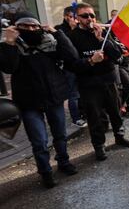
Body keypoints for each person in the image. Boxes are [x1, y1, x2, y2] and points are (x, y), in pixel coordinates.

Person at [0, 11, 82, 188]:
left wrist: (57, 33)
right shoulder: (10, 45)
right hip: (29, 103)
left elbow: (71, 56)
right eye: (25, 26)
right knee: (39, 141)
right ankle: (45, 172)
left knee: (60, 134)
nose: (30, 29)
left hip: (54, 97)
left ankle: (64, 162)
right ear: (16, 28)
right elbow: (8, 67)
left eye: (34, 26)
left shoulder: (50, 43)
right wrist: (9, 42)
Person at [67, 3, 129, 161]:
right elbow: (71, 65)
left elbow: (118, 56)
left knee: (115, 112)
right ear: (77, 18)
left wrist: (102, 38)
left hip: (109, 81)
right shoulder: (72, 37)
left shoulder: (102, 32)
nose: (89, 19)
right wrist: (90, 61)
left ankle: (119, 136)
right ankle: (99, 146)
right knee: (94, 117)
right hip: (89, 85)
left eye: (92, 15)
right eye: (84, 16)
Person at [55, 6, 87, 128]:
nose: (73, 19)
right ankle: (76, 118)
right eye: (71, 16)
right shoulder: (59, 29)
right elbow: (66, 48)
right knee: (73, 94)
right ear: (65, 16)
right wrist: (73, 30)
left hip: (81, 64)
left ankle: (83, 112)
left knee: (82, 92)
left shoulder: (80, 28)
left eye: (75, 16)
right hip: (69, 67)